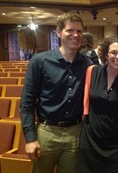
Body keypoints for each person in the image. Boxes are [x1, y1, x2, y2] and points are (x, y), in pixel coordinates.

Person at [20, 12, 93, 173]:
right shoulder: (40, 61)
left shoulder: (87, 64)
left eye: (79, 31)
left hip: (75, 133)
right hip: (47, 132)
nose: (75, 35)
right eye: (70, 30)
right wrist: (30, 138)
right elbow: (27, 103)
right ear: (59, 32)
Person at [76, 36, 118, 173]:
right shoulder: (92, 71)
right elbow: (84, 101)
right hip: (91, 136)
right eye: (113, 52)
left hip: (115, 139)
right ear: (105, 54)